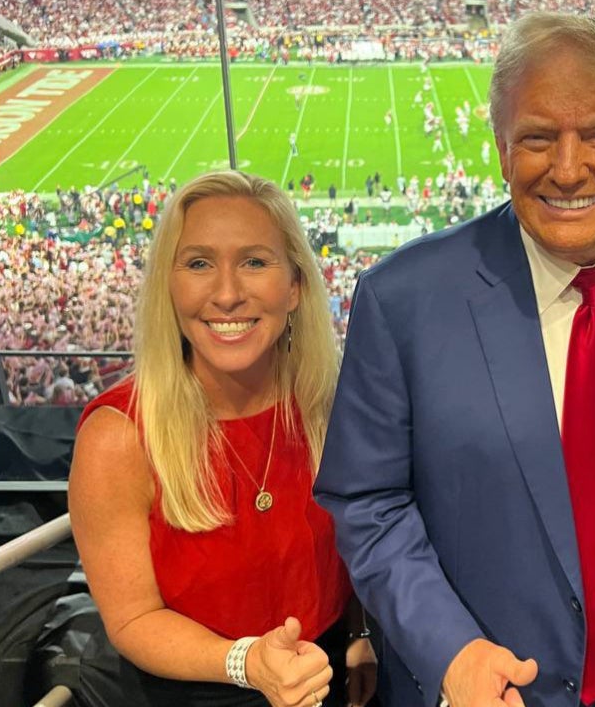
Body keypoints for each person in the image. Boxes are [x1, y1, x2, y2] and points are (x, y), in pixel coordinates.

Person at [316, 12, 595, 707]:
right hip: (484, 686)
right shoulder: (402, 300)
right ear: (502, 149)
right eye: (537, 137)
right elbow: (367, 503)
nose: (566, 169)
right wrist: (453, 653)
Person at [69, 171, 376, 707]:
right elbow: (133, 618)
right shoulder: (117, 437)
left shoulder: (332, 404)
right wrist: (248, 662)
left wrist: (359, 633)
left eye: (255, 262)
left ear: (296, 286)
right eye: (199, 263)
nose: (228, 294)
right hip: (195, 690)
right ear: (169, 282)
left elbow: (360, 548)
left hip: (328, 679)